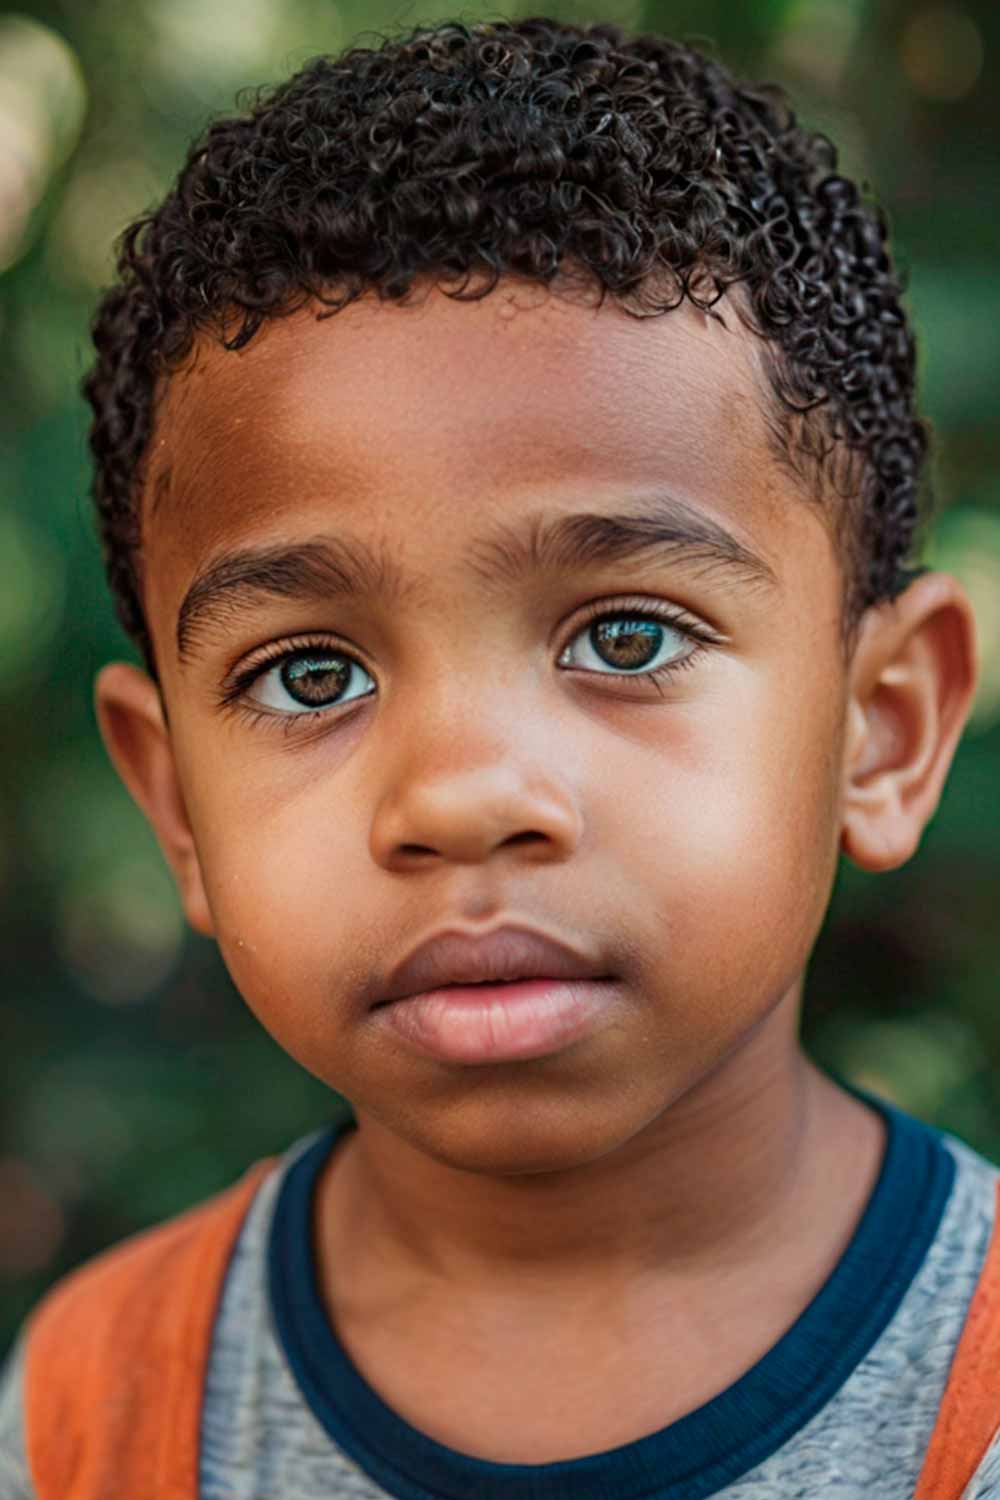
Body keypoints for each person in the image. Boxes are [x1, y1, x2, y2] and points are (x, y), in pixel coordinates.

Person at [0, 14, 995, 1498]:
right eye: (311, 671)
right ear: (175, 805)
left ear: (886, 726)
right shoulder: (101, 1406)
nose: (461, 796)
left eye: (629, 640)